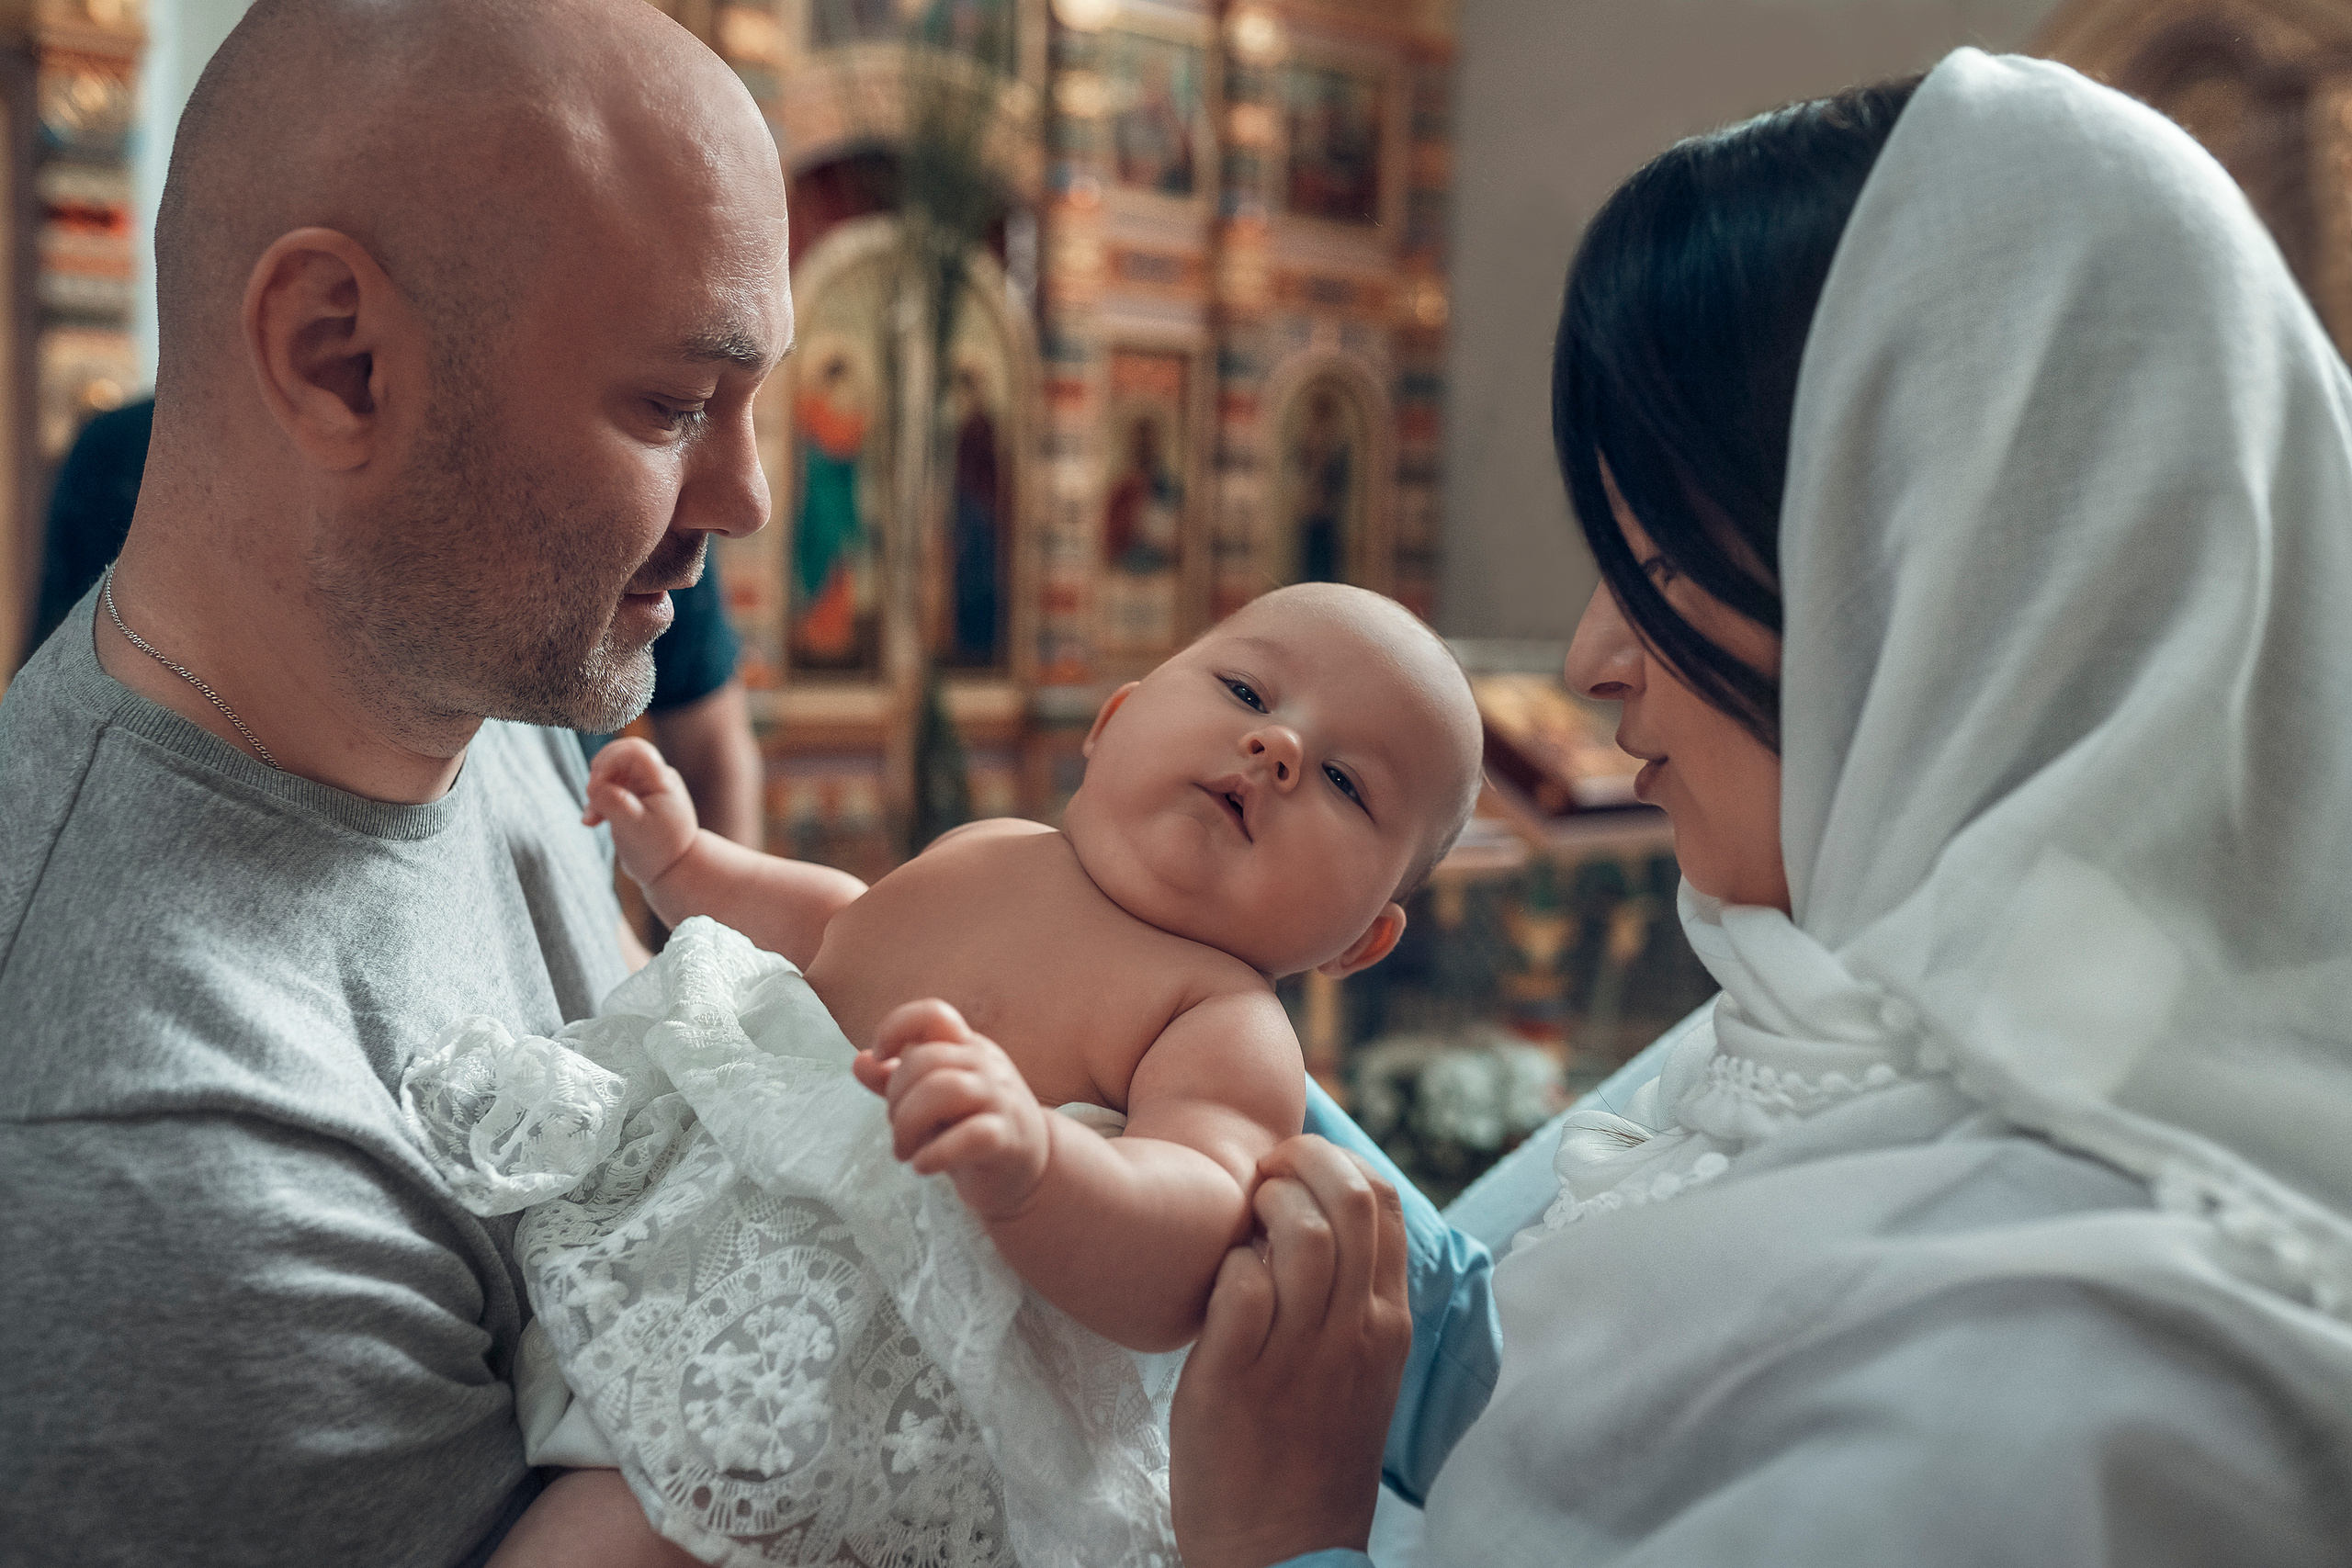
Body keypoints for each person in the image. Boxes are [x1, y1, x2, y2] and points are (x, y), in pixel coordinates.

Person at [1170, 51, 2352, 1567]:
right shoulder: (1860, 1016)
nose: (1595, 655)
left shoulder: (2076, 1384)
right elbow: (1481, 1351)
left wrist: (1277, 1528)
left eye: (1662, 559)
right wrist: (1180, 1019)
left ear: (1966, 585)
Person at [0, 2, 789, 1563]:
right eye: (675, 404)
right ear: (338, 358)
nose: (749, 497)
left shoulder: (465, 679)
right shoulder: (169, 1177)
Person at [412, 582, 1488, 1565]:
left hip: (890, 1406)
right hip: (722, 1282)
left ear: (1361, 941)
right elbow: (837, 926)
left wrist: (1038, 1165)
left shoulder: (1223, 1021)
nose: (1278, 746)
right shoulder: (994, 847)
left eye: (1347, 782)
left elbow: (1193, 1232)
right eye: (1247, 688)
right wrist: (685, 865)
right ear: (1111, 727)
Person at [35, 396, 768, 848]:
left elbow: (710, 747)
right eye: (669, 402)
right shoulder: (125, 463)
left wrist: (704, 989)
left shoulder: (574, 609)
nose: (746, 503)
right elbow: (58, 727)